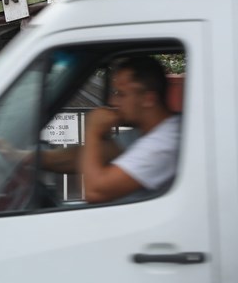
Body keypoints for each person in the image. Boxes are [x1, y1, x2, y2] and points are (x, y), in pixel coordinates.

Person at [40, 55, 181, 203]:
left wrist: (93, 131)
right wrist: (27, 159)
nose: (112, 101)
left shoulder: (164, 143)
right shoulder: (142, 134)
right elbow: (79, 157)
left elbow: (94, 191)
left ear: (148, 99)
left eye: (121, 94)